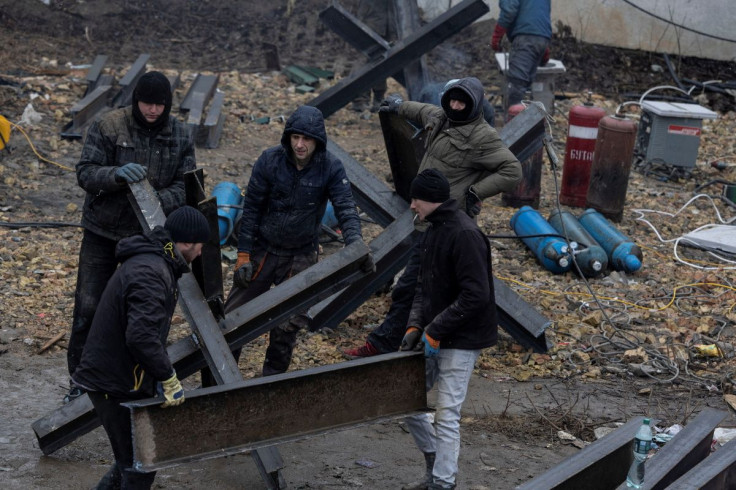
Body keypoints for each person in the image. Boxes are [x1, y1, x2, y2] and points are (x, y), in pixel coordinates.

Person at [342, 76, 519, 359]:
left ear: (474, 105)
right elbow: (419, 110)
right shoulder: (439, 116)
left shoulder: (482, 136)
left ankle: (395, 346)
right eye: (453, 99)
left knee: (419, 287)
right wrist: (398, 106)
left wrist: (474, 192)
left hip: (453, 229)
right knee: (415, 289)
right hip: (429, 224)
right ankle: (404, 344)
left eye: (463, 101)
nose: (456, 105)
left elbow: (512, 171)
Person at [67, 70, 196, 403]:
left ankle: (145, 380)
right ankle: (80, 383)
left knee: (150, 311)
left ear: (168, 105)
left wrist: (150, 196)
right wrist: (116, 175)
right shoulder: (109, 126)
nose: (152, 110)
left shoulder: (180, 135)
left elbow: (187, 187)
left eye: (159, 105)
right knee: (89, 308)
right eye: (146, 103)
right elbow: (85, 173)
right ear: (135, 100)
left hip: (151, 239)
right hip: (103, 232)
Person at [223, 105, 373, 377]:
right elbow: (252, 209)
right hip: (263, 248)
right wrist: (244, 254)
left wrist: (355, 246)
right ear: (288, 137)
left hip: (301, 254)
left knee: (287, 325)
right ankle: (221, 378)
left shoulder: (331, 167)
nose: (300, 145)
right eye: (295, 138)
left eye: (307, 139)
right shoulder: (269, 161)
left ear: (318, 141)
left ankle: (271, 383)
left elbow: (346, 208)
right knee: (232, 318)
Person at [71, 205, 210, 490]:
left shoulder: (157, 263)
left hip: (119, 377)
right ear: (187, 243)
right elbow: (141, 337)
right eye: (200, 247)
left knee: (132, 461)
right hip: (113, 382)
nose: (200, 254)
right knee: (141, 464)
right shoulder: (151, 271)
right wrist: (167, 377)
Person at [399, 169, 497, 490]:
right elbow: (422, 288)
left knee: (447, 415)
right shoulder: (433, 231)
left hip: (463, 339)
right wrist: (416, 325)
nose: (412, 205)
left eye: (415, 198)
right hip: (433, 334)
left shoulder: (465, 234)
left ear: (430, 199)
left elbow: (477, 295)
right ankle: (433, 464)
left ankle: (442, 483)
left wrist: (435, 329)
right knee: (405, 402)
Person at [490, 0, 552, 107]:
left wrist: (497, 36)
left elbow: (509, 11)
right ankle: (530, 120)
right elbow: (540, 14)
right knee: (527, 86)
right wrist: (543, 46)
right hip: (541, 39)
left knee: (516, 85)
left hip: (525, 38)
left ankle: (515, 121)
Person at [350, 0, 396, 113]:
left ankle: (377, 98)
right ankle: (360, 100)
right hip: (371, 27)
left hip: (383, 28)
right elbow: (363, 8)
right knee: (364, 64)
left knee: (380, 64)